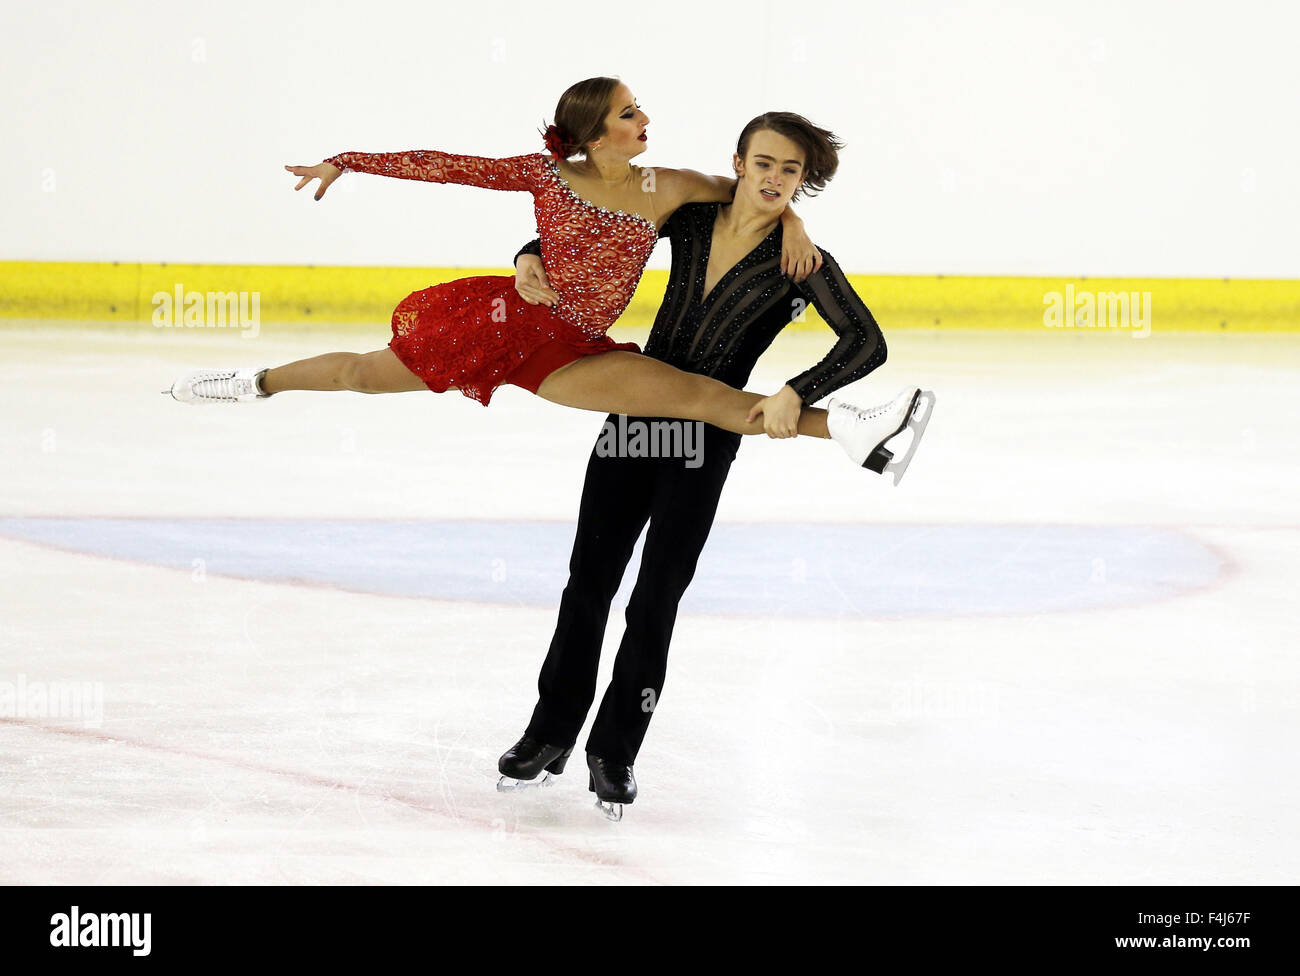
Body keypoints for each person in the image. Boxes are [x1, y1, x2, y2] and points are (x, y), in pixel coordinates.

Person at [495, 111, 933, 820]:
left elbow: (865, 343)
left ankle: (615, 752)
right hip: (633, 415)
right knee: (588, 585)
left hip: (704, 441)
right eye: (764, 164)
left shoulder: (801, 263)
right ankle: (547, 736)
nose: (774, 179)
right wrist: (527, 253)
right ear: (738, 162)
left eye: (790, 171)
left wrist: (798, 391)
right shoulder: (691, 219)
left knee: (655, 598)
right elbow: (595, 229)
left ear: (802, 182)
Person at [164, 77, 929, 470]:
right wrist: (349, 162)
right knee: (364, 375)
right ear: (598, 132)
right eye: (631, 113)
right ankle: (253, 382)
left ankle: (858, 431)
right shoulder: (545, 175)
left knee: (704, 400)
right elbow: (444, 167)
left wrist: (795, 221)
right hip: (502, 322)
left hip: (574, 348)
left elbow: (760, 189)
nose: (645, 120)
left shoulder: (672, 185)